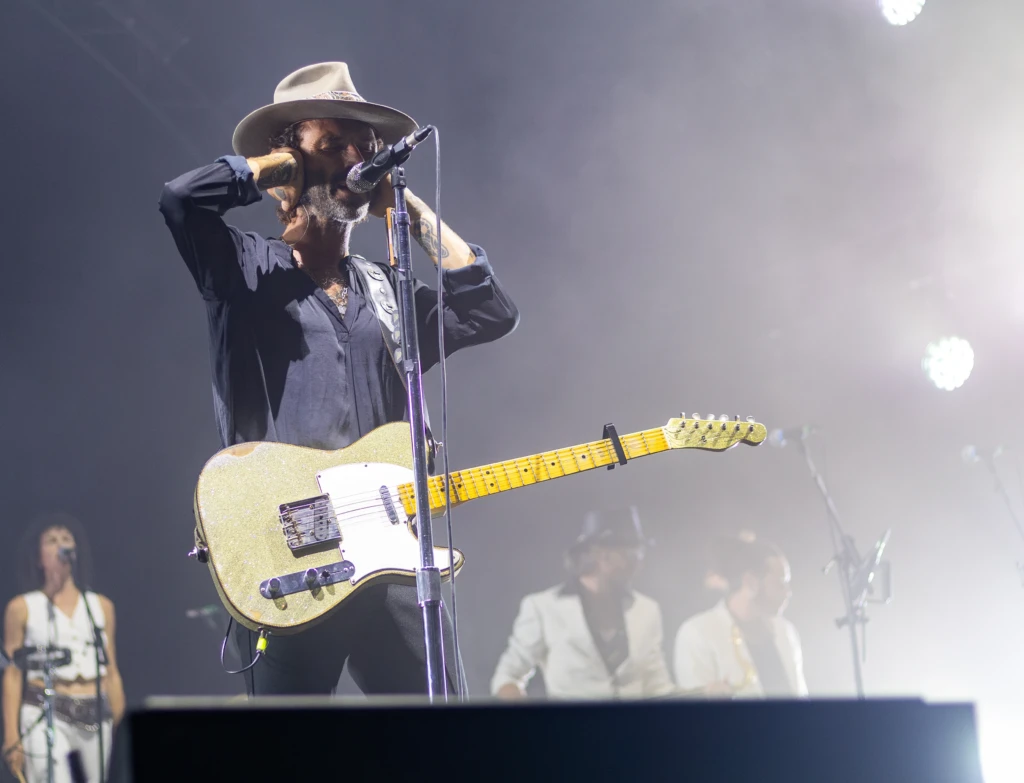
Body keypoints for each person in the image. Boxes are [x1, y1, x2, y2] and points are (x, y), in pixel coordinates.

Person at [159, 61, 518, 697]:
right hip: (289, 550)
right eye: (332, 145)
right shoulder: (244, 269)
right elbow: (182, 201)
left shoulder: (386, 291)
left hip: (391, 555)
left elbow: (490, 311)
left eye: (364, 146)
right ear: (287, 163)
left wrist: (406, 206)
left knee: (447, 736)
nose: (355, 160)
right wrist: (281, 168)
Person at [490, 508, 676, 699]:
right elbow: (508, 676)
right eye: (631, 553)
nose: (638, 562)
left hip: (635, 719)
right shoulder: (543, 608)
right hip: (569, 719)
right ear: (600, 553)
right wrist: (525, 715)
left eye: (639, 553)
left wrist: (692, 698)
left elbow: (657, 684)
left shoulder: (646, 609)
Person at [2, 513, 125, 783]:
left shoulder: (100, 606)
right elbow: (12, 674)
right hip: (46, 712)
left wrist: (121, 727)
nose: (61, 544)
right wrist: (11, 735)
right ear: (38, 557)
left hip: (96, 717)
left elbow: (112, 671)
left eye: (66, 539)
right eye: (52, 540)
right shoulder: (22, 607)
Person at [673, 534, 808, 698]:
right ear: (750, 581)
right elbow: (694, 708)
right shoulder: (697, 633)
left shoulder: (785, 630)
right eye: (780, 583)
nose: (788, 592)